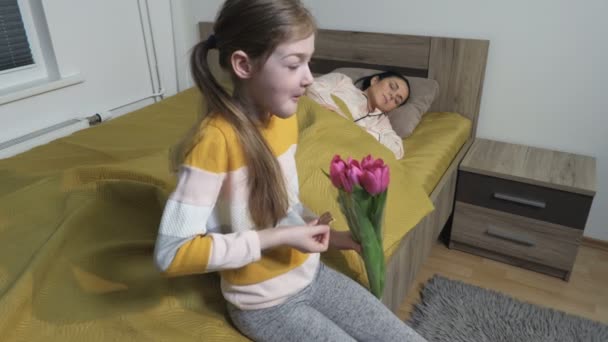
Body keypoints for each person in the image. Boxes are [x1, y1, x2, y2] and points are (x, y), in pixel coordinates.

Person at [153, 1, 426, 341]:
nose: (309, 78)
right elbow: (172, 253)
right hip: (266, 305)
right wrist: (281, 238)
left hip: (312, 276)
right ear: (243, 64)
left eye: (308, 62)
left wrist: (329, 238)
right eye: (295, 64)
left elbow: (281, 205)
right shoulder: (214, 142)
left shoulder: (285, 121)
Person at [306, 71, 410, 159]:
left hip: (333, 152)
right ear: (375, 80)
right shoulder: (342, 81)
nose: (392, 96)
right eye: (392, 87)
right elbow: (312, 87)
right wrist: (337, 113)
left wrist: (357, 129)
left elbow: (397, 150)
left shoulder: (381, 122)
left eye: (397, 100)